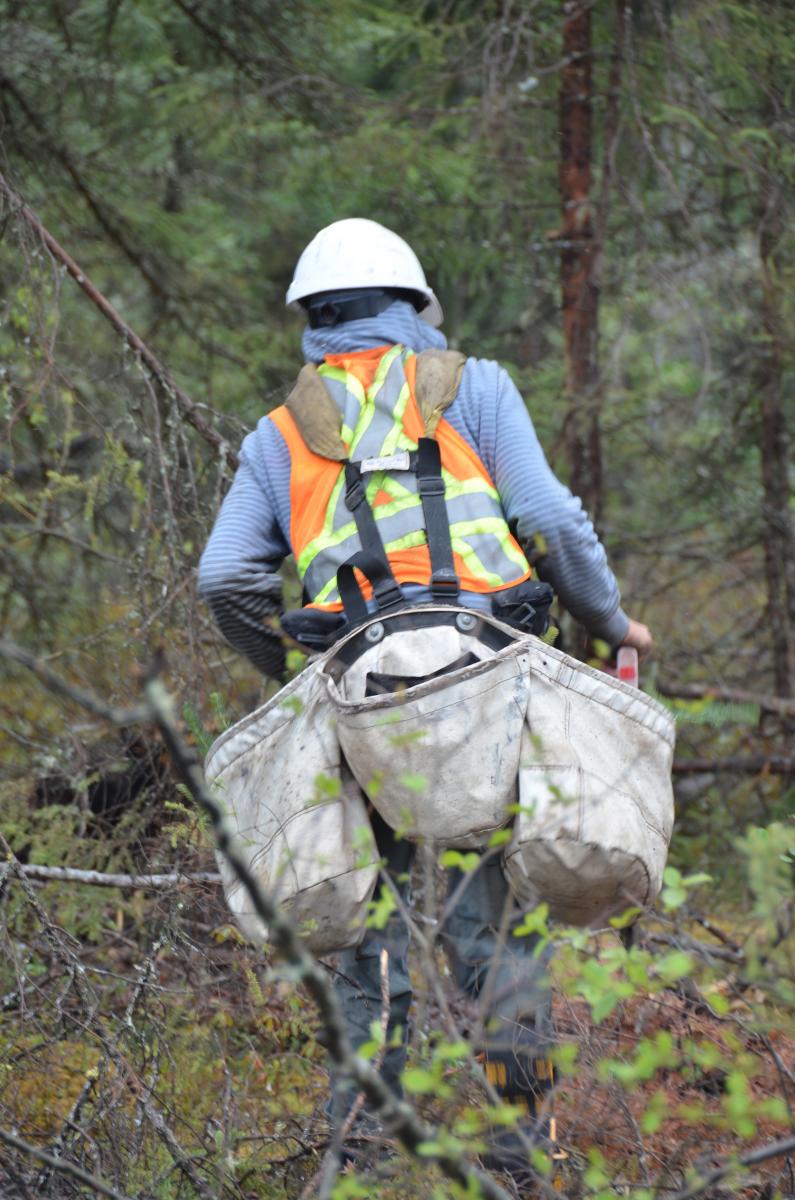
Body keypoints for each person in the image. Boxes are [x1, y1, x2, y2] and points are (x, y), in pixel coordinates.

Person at [198, 217, 652, 1182]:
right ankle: (517, 1149)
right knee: (502, 916)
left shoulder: (278, 435)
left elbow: (223, 580)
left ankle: (361, 1148)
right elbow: (548, 519)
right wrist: (609, 621)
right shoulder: (473, 387)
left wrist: (287, 667)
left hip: (364, 696)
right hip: (487, 676)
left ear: (311, 323)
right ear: (415, 310)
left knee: (376, 926)